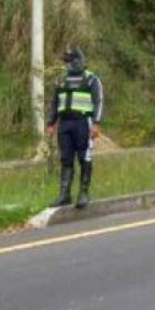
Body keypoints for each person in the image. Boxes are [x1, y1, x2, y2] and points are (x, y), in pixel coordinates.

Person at [46, 47, 105, 209]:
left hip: (83, 123)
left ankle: (83, 193)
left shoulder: (91, 79)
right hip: (64, 124)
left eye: (70, 60)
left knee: (84, 157)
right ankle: (65, 195)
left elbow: (98, 100)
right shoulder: (61, 80)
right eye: (66, 61)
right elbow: (54, 102)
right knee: (65, 159)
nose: (68, 64)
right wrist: (51, 123)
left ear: (79, 60)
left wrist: (96, 122)